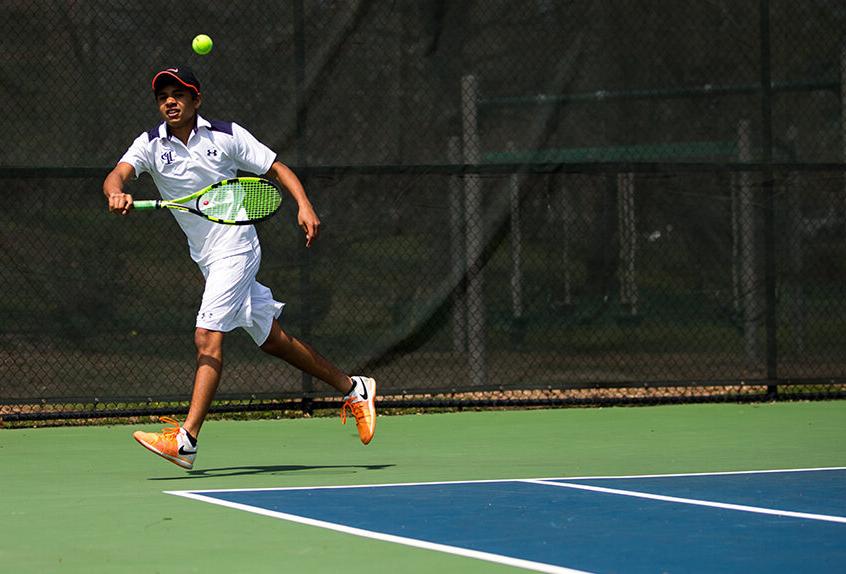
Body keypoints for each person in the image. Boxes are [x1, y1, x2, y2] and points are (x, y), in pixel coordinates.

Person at [102, 66, 376, 470]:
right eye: (163, 96)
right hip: (207, 258)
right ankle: (354, 388)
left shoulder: (227, 135)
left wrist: (304, 204)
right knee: (273, 340)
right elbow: (117, 174)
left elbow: (276, 168)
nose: (170, 102)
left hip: (237, 246)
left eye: (179, 94)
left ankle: (186, 440)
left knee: (206, 336)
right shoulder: (149, 145)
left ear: (197, 100)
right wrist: (115, 192)